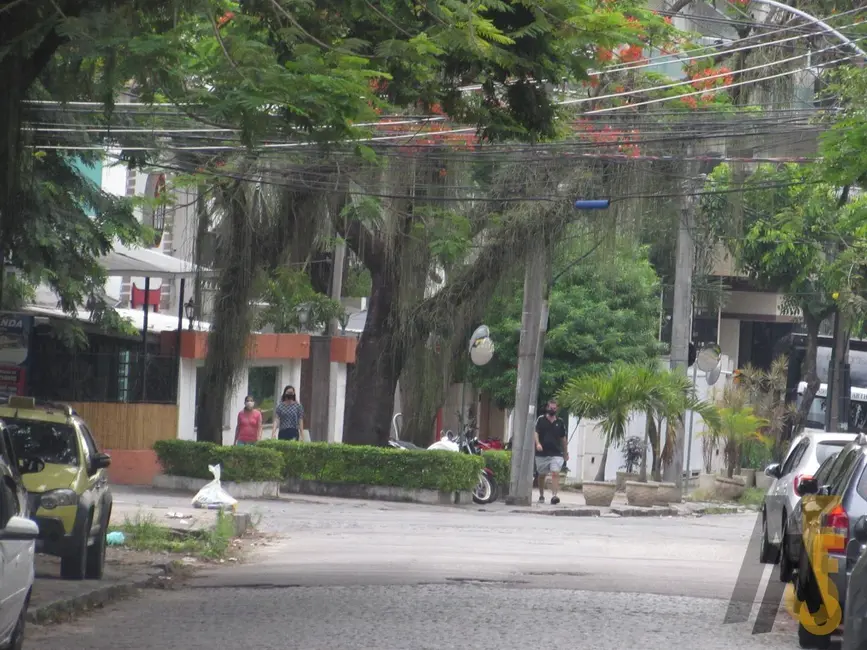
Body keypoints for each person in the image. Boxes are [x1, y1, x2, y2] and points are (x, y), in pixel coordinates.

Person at [534, 398, 568, 504]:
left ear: (557, 408)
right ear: (547, 407)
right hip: (542, 453)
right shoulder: (541, 419)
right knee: (542, 475)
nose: (552, 409)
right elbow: (536, 432)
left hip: (556, 453)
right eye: (550, 407)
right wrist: (537, 443)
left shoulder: (560, 422)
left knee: (555, 473)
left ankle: (554, 496)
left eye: (554, 408)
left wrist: (565, 452)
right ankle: (541, 495)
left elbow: (563, 438)